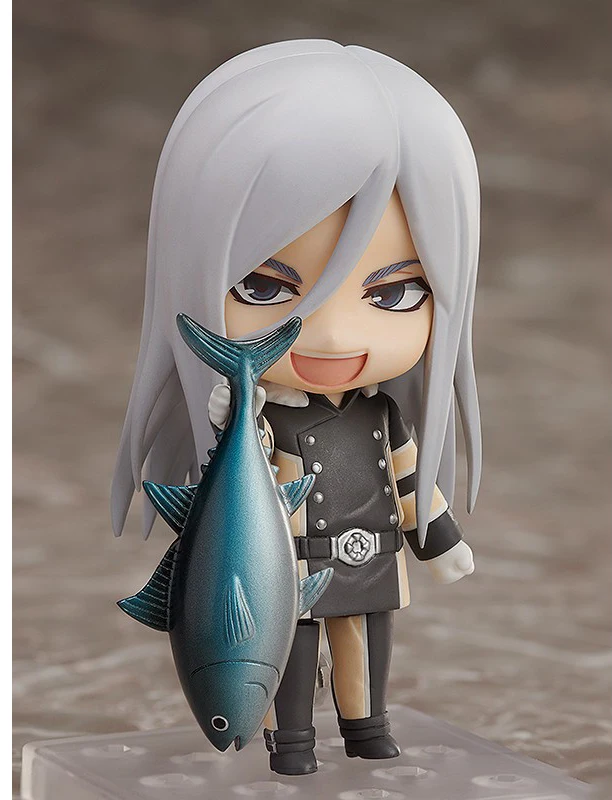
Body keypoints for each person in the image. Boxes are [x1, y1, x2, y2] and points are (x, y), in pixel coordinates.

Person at [112, 40, 482, 776]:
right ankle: (294, 739)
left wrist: (440, 541)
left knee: (367, 646)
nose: (334, 334)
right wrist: (233, 414)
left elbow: (411, 482)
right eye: (263, 287)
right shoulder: (263, 424)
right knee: (290, 649)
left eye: (395, 293)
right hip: (286, 567)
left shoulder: (381, 418)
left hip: (371, 560)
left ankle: (367, 724)